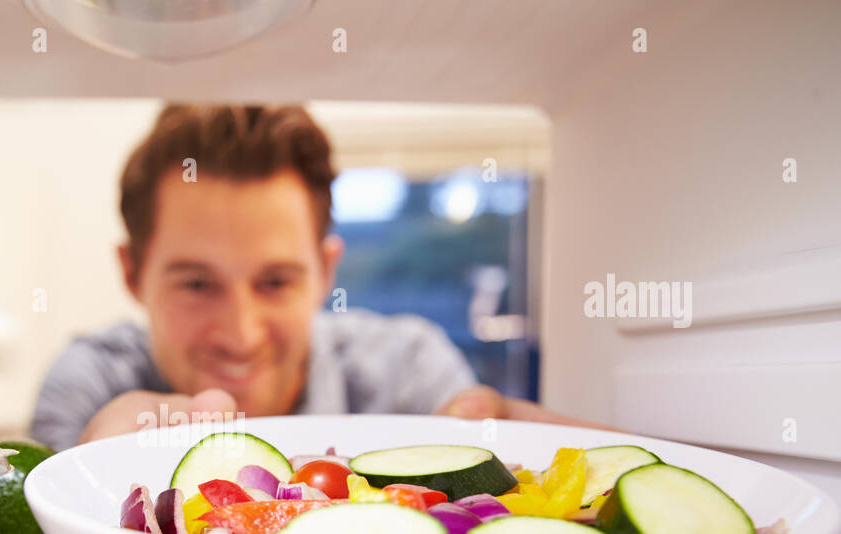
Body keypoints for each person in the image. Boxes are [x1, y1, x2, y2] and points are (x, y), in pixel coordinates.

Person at [30, 104, 606, 451]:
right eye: (197, 284)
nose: (241, 335)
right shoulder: (91, 384)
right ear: (133, 274)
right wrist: (91, 481)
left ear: (326, 270)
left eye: (275, 282)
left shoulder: (404, 372)